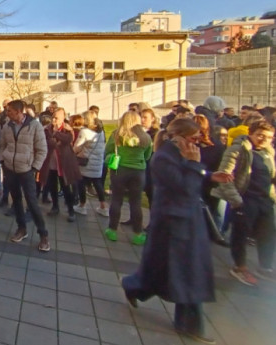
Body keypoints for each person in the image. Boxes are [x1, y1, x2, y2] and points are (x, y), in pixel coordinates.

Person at [121, 118, 227, 345]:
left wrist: (209, 176)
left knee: (164, 267)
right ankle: (190, 325)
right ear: (177, 136)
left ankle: (134, 286)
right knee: (185, 271)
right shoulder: (163, 158)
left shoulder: (181, 153)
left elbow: (190, 178)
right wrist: (196, 165)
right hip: (173, 221)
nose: (196, 143)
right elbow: (184, 186)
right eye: (193, 138)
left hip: (188, 220)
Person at [213, 120, 276, 286]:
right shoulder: (239, 149)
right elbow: (224, 176)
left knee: (268, 234)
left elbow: (270, 176)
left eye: (269, 137)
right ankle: (239, 267)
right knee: (240, 234)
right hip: (245, 199)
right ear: (251, 133)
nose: (264, 139)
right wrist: (237, 201)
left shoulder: (269, 152)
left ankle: (265, 268)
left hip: (265, 200)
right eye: (260, 135)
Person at [0, 100, 50, 251]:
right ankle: (21, 228)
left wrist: (35, 167)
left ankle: (43, 235)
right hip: (10, 169)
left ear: (18, 112)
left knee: (32, 202)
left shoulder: (34, 126)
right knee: (15, 201)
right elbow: (2, 145)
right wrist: (3, 160)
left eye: (9, 111)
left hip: (27, 170)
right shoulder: (7, 126)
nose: (6, 113)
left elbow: (42, 149)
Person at [104, 111, 152, 245]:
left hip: (120, 169)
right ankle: (138, 233)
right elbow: (147, 156)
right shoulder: (146, 137)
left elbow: (107, 150)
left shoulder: (117, 135)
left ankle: (112, 230)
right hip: (138, 171)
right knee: (135, 203)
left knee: (116, 200)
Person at [43, 108, 81, 222]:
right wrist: (53, 138)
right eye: (53, 117)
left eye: (57, 118)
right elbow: (46, 141)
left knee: (66, 187)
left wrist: (55, 134)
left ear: (63, 118)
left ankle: (70, 210)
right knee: (52, 186)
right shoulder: (47, 129)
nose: (54, 120)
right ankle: (55, 207)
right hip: (51, 163)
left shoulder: (67, 129)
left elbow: (67, 139)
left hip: (64, 164)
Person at [73, 110, 107, 216]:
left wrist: (75, 150)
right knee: (97, 183)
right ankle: (103, 206)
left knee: (81, 183)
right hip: (97, 163)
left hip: (85, 162)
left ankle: (82, 205)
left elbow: (77, 147)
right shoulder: (101, 132)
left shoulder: (84, 132)